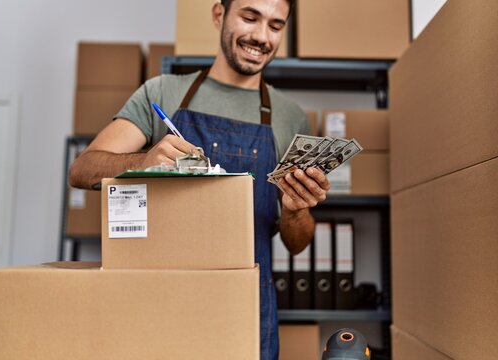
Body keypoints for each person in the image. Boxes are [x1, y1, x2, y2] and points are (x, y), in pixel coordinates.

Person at [69, 0, 330, 358]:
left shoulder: (291, 119)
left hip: (247, 309)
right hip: (160, 303)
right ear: (219, 15)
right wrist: (144, 161)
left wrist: (296, 210)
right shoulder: (163, 92)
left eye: (275, 25)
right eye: (250, 17)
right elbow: (83, 168)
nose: (261, 36)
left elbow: (297, 243)